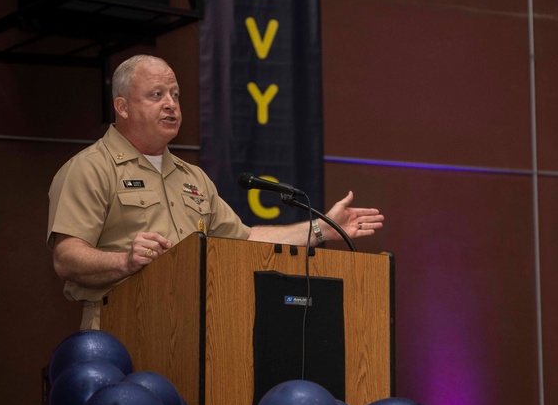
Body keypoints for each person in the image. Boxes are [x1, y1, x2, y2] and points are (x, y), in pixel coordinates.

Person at [47, 54, 384, 329]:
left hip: (192, 329)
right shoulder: (92, 167)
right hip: (118, 327)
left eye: (175, 95)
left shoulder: (193, 178)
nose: (171, 104)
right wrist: (125, 261)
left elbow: (244, 240)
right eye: (156, 95)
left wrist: (321, 229)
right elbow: (66, 257)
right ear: (122, 107)